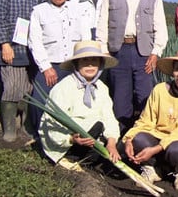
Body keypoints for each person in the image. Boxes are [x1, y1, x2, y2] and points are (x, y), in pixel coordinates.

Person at [96, 0, 168, 135]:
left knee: (145, 97)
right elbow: (102, 23)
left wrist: (156, 52)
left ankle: (142, 137)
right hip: (118, 52)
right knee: (120, 98)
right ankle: (119, 138)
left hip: (143, 52)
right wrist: (104, 51)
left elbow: (160, 25)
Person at [122, 48, 178, 191]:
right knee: (139, 139)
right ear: (173, 71)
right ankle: (152, 168)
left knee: (177, 148)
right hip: (157, 138)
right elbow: (145, 120)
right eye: (177, 69)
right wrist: (128, 139)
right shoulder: (159, 90)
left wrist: (155, 149)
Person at [39, 40, 121, 171]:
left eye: (94, 60)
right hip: (69, 142)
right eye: (85, 61)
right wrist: (71, 139)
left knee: (118, 134)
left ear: (100, 64)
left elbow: (109, 118)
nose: (90, 65)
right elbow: (51, 123)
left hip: (93, 138)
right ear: (76, 64)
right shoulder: (63, 88)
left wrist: (111, 144)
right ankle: (70, 159)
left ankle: (89, 161)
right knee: (97, 126)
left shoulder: (101, 88)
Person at [28, 0, 91, 138]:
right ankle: (40, 137)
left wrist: (82, 65)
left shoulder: (78, 10)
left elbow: (86, 38)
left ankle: (69, 137)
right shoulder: (39, 11)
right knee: (39, 101)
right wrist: (46, 67)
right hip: (50, 66)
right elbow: (35, 41)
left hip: (73, 65)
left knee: (74, 102)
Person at [0, 0, 45, 142]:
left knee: (29, 88)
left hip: (33, 49)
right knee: (12, 86)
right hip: (12, 48)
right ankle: (9, 128)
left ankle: (26, 125)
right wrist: (5, 44)